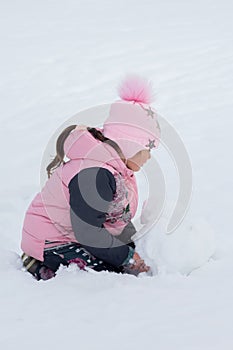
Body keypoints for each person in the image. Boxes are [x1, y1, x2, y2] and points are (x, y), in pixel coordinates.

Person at [20, 75, 161, 280]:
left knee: (118, 262)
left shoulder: (114, 169)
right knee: (111, 274)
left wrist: (132, 244)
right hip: (51, 241)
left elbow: (113, 218)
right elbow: (88, 232)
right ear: (128, 146)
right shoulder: (95, 175)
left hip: (73, 236)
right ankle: (37, 264)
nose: (148, 157)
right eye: (146, 150)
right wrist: (127, 259)